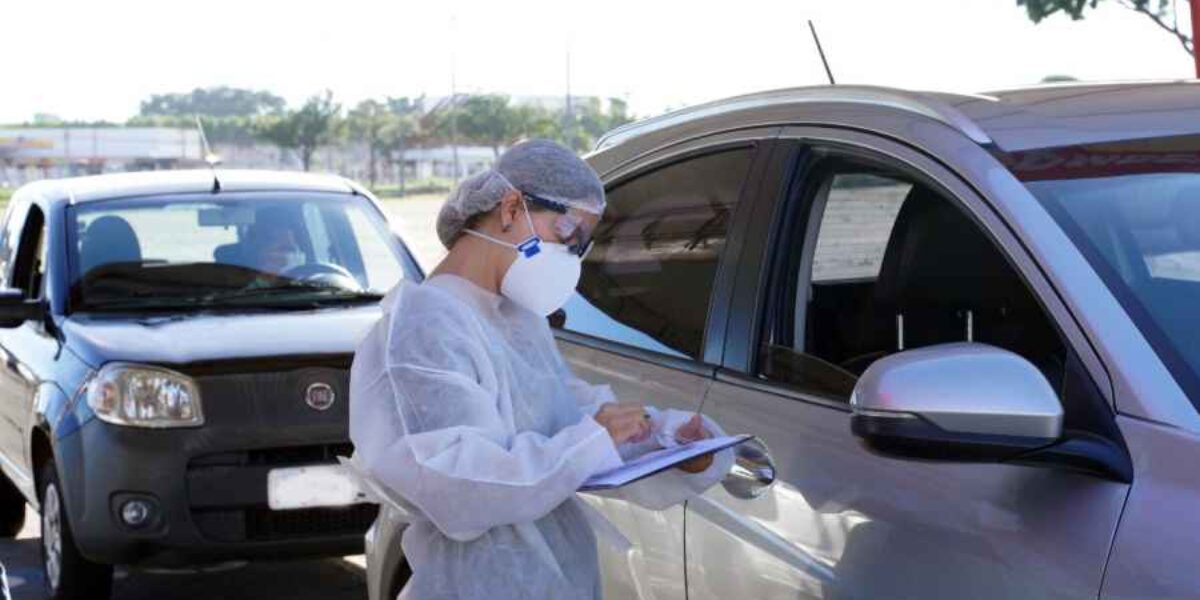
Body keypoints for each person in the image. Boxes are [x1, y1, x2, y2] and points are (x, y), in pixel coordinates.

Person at [349, 139, 734, 600]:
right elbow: (460, 485)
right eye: (567, 238)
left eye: (581, 248)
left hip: (551, 577)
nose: (571, 259)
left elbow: (564, 415)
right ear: (511, 207)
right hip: (476, 584)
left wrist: (666, 438)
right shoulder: (425, 324)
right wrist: (592, 440)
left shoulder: (515, 318)